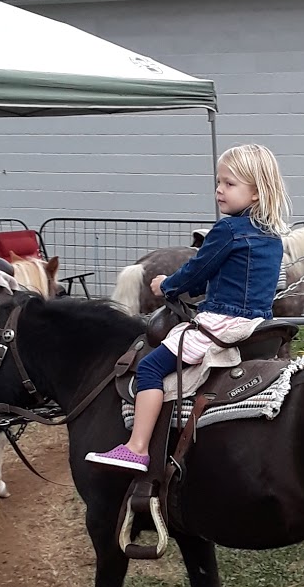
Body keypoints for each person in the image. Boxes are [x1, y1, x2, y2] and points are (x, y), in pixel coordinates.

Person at [87, 144, 291, 470]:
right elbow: (217, 277)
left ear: (256, 193)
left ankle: (137, 447)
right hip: (257, 323)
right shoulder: (272, 237)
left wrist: (166, 284)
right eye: (219, 182)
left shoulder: (226, 230)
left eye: (229, 184)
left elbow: (196, 272)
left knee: (151, 367)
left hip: (223, 322)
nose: (219, 190)